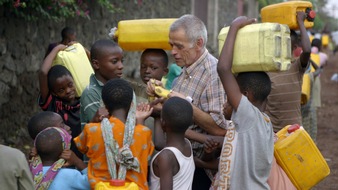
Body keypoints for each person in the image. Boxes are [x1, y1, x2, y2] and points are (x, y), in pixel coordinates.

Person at [147, 14, 227, 189]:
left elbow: (220, 130)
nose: (173, 51)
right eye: (171, 45)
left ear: (199, 43)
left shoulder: (213, 74)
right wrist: (162, 99)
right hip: (179, 161)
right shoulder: (184, 71)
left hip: (198, 170)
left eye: (179, 46)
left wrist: (185, 105)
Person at [216, 16, 274, 189]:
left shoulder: (249, 115)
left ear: (246, 96)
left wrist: (234, 26)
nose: (227, 100)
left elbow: (223, 69)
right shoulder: (265, 122)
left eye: (231, 95)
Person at [74, 78, 154, 189]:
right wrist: (140, 119)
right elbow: (145, 155)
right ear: (132, 105)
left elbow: (80, 146)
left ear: (104, 106)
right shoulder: (143, 133)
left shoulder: (92, 130)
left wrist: (94, 120)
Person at [265, 12, 311, 132]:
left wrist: (301, 22)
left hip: (294, 131)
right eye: (277, 42)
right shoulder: (266, 68)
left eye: (285, 43)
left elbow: (306, 51)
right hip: (271, 132)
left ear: (295, 47)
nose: (280, 46)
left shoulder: (296, 67)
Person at [38, 45, 83, 160]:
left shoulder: (83, 100)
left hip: (83, 155)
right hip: (62, 158)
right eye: (61, 90)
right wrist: (57, 48)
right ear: (54, 93)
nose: (68, 91)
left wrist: (80, 48)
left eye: (70, 85)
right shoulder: (52, 103)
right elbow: (43, 72)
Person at [150, 97, 195, 190]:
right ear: (191, 122)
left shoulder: (165, 157)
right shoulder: (187, 145)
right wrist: (157, 117)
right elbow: (159, 144)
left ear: (163, 123)